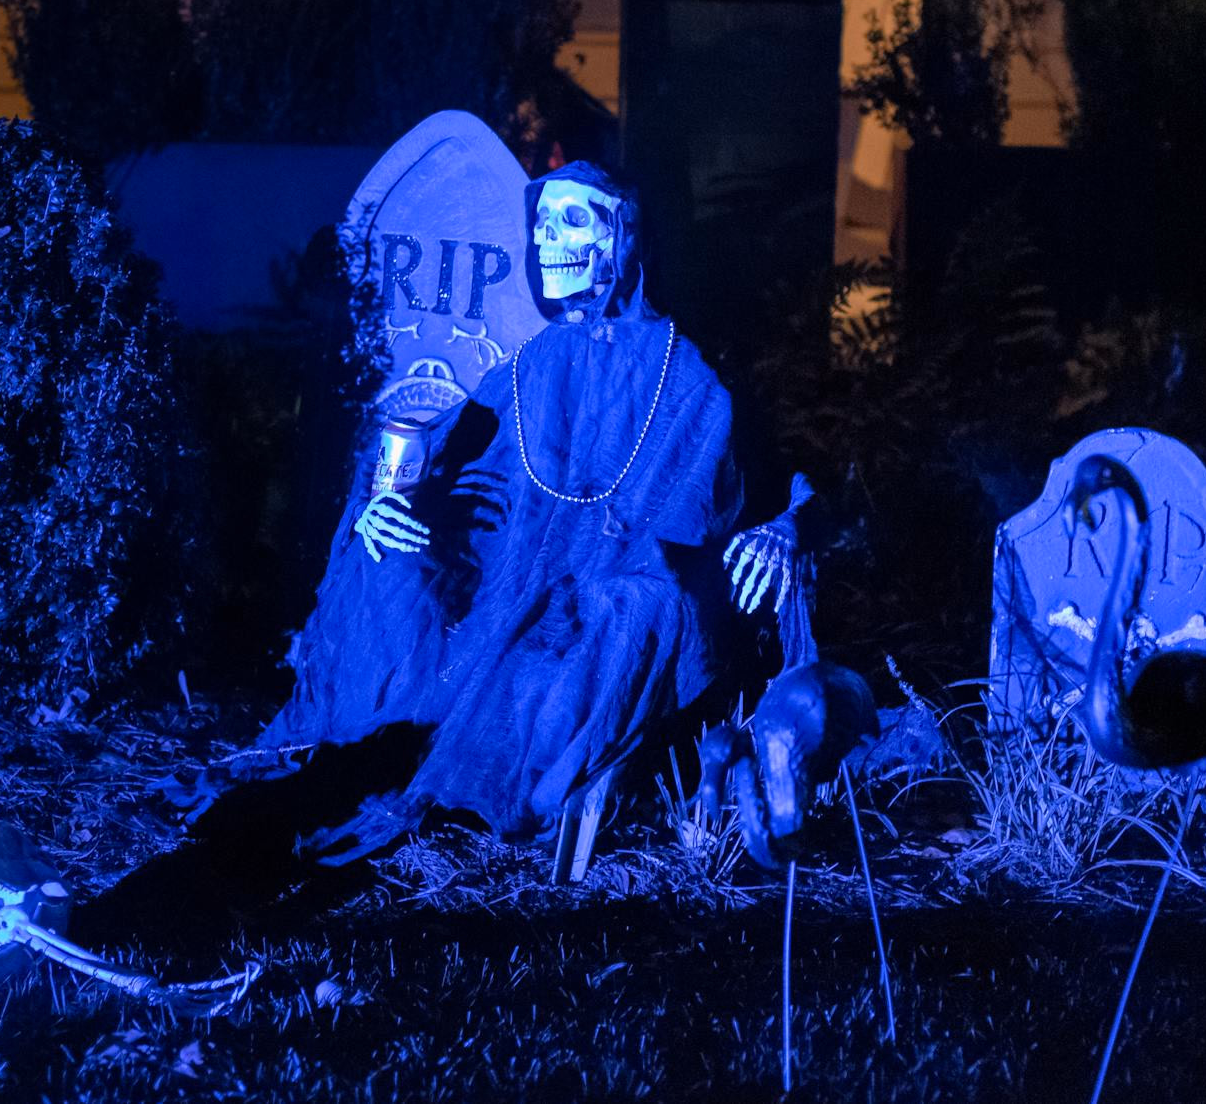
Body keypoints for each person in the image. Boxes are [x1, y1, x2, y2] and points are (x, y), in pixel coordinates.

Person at [263, 161, 807, 859]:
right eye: (542, 223)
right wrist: (386, 506)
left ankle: (520, 790)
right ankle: (370, 740)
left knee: (627, 615)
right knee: (390, 555)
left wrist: (784, 526)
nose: (548, 239)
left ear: (626, 237)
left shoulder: (690, 376)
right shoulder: (531, 363)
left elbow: (760, 484)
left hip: (622, 578)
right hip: (501, 574)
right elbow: (445, 460)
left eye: (573, 220)